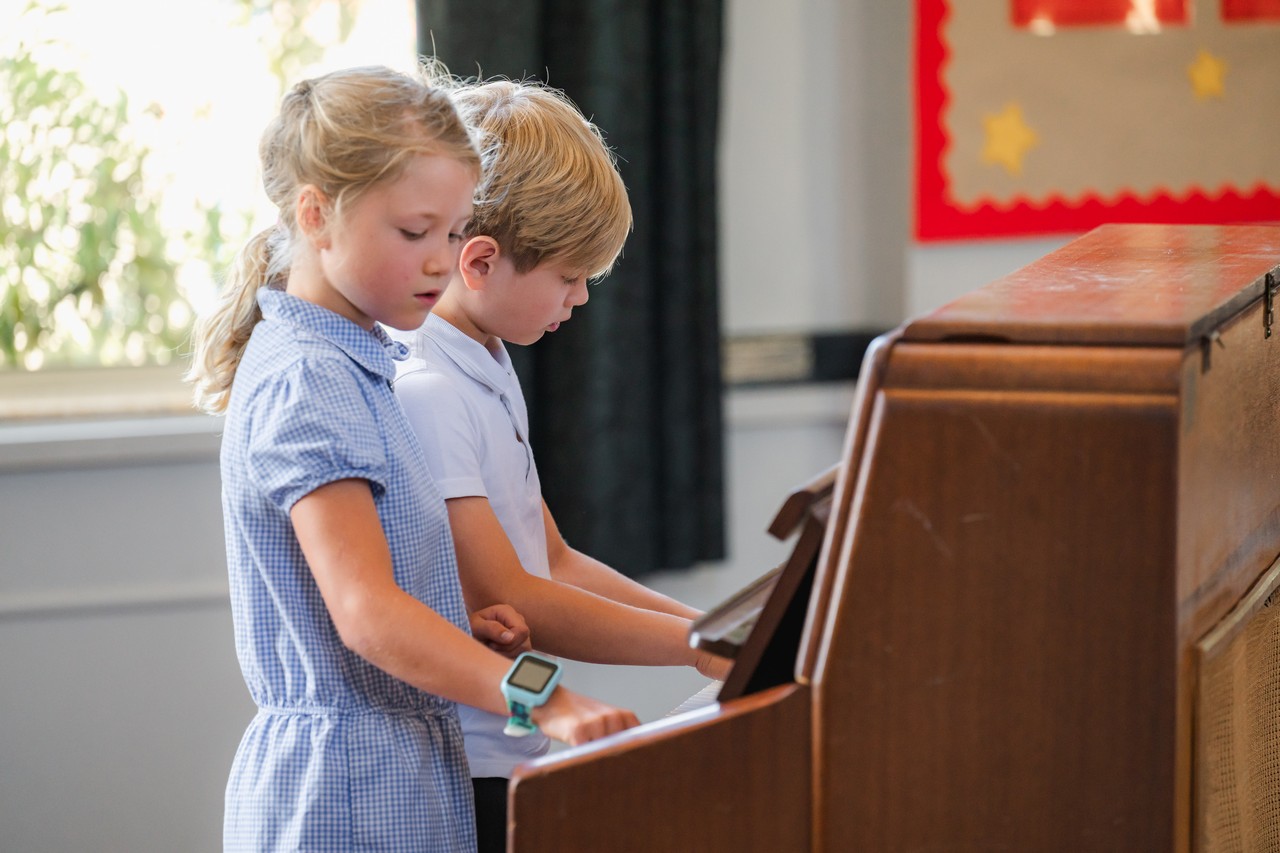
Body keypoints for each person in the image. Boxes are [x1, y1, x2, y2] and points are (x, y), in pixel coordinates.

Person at [185, 64, 638, 853]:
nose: (441, 259)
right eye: (413, 231)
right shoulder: (307, 378)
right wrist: (545, 696)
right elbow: (365, 616)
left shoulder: (358, 362)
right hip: (348, 792)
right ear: (317, 214)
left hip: (400, 774)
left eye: (456, 231)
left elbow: (357, 607)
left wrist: (455, 624)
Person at [391, 75, 731, 852]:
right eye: (570, 277)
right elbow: (513, 594)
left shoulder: (487, 357)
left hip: (511, 743)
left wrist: (716, 628)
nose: (578, 299)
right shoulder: (430, 388)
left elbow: (555, 559)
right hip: (461, 762)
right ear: (477, 262)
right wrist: (696, 645)